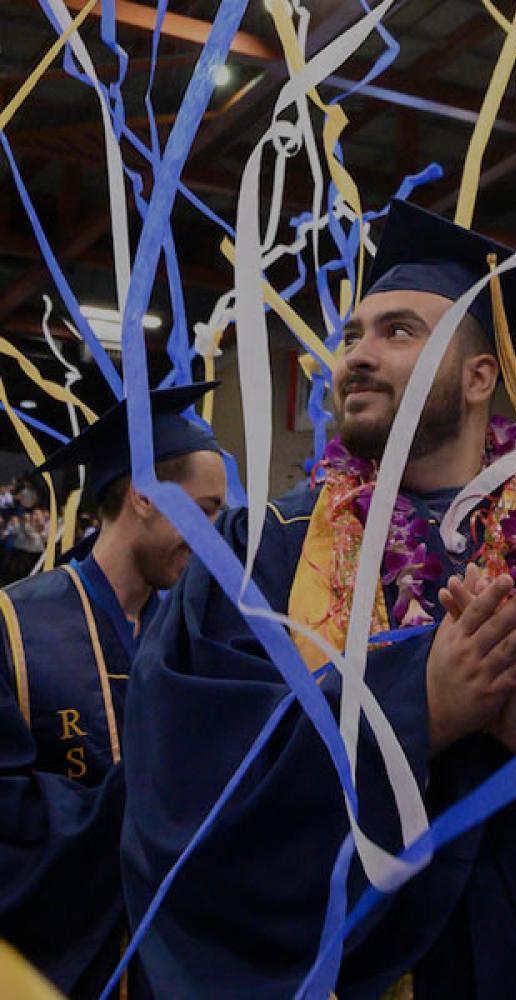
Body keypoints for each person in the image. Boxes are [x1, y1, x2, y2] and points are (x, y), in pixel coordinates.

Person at [121, 200, 516, 999]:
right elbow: (181, 767)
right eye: (351, 335)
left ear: (480, 376)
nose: (357, 355)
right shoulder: (258, 551)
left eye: (399, 332)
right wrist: (418, 708)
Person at [0, 382, 226, 998]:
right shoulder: (14, 626)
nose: (215, 535)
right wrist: (156, 793)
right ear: (144, 497)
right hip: (60, 967)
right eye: (204, 511)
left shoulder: (192, 635)